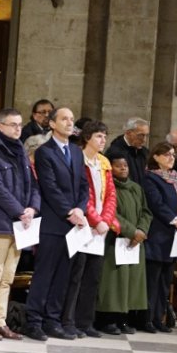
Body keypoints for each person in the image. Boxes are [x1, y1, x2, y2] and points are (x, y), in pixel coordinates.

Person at [21, 107, 88, 340]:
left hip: (73, 223)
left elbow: (83, 185)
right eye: (64, 119)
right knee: (45, 273)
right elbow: (49, 188)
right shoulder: (45, 152)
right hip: (53, 221)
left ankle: (53, 320)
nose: (69, 123)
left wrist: (80, 208)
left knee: (63, 275)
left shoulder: (76, 152)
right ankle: (34, 321)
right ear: (52, 124)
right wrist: (69, 211)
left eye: (71, 119)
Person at [0, 108, 39, 341]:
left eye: (20, 124)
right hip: (0, 220)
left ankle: (0, 320)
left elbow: (32, 184)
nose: (17, 128)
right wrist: (19, 211)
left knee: (8, 276)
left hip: (22, 222)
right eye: (12, 124)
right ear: (0, 126)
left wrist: (32, 208)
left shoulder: (21, 152)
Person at [61, 121, 117, 338]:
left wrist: (107, 220)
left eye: (104, 136)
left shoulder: (104, 162)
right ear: (87, 138)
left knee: (93, 276)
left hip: (100, 228)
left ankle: (86, 321)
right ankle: (69, 319)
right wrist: (95, 219)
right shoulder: (79, 158)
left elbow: (111, 194)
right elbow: (86, 195)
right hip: (84, 224)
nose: (103, 140)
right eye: (98, 136)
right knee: (76, 275)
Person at [96, 154, 151, 334]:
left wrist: (141, 230)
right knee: (113, 281)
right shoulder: (109, 187)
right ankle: (107, 319)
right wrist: (130, 231)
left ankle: (124, 319)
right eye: (118, 166)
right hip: (115, 239)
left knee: (131, 281)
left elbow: (146, 211)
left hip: (135, 242)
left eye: (125, 165)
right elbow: (111, 213)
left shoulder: (136, 188)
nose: (123, 168)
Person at [142, 142, 177, 333]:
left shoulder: (176, 178)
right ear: (156, 157)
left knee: (165, 281)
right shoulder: (151, 178)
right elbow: (156, 203)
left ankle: (159, 317)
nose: (171, 158)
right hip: (157, 234)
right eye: (167, 155)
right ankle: (147, 319)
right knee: (152, 280)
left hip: (174, 236)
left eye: (172, 154)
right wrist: (174, 220)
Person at [105, 118, 149, 186]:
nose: (144, 140)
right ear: (128, 133)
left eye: (146, 135)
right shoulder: (114, 153)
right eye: (140, 135)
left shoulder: (145, 152)